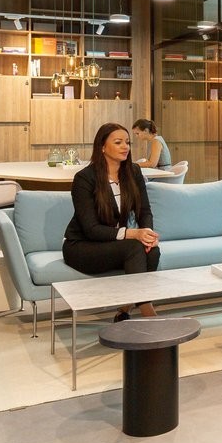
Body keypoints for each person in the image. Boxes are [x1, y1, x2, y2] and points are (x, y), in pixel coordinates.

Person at [63, 123, 162, 320]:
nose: (125, 147)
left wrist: (148, 234)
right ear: (102, 147)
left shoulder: (133, 172)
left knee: (151, 250)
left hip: (112, 243)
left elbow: (144, 211)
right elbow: (91, 229)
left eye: (127, 142)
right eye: (118, 142)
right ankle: (149, 315)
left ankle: (125, 309)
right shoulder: (85, 178)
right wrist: (133, 233)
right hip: (82, 246)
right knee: (134, 247)